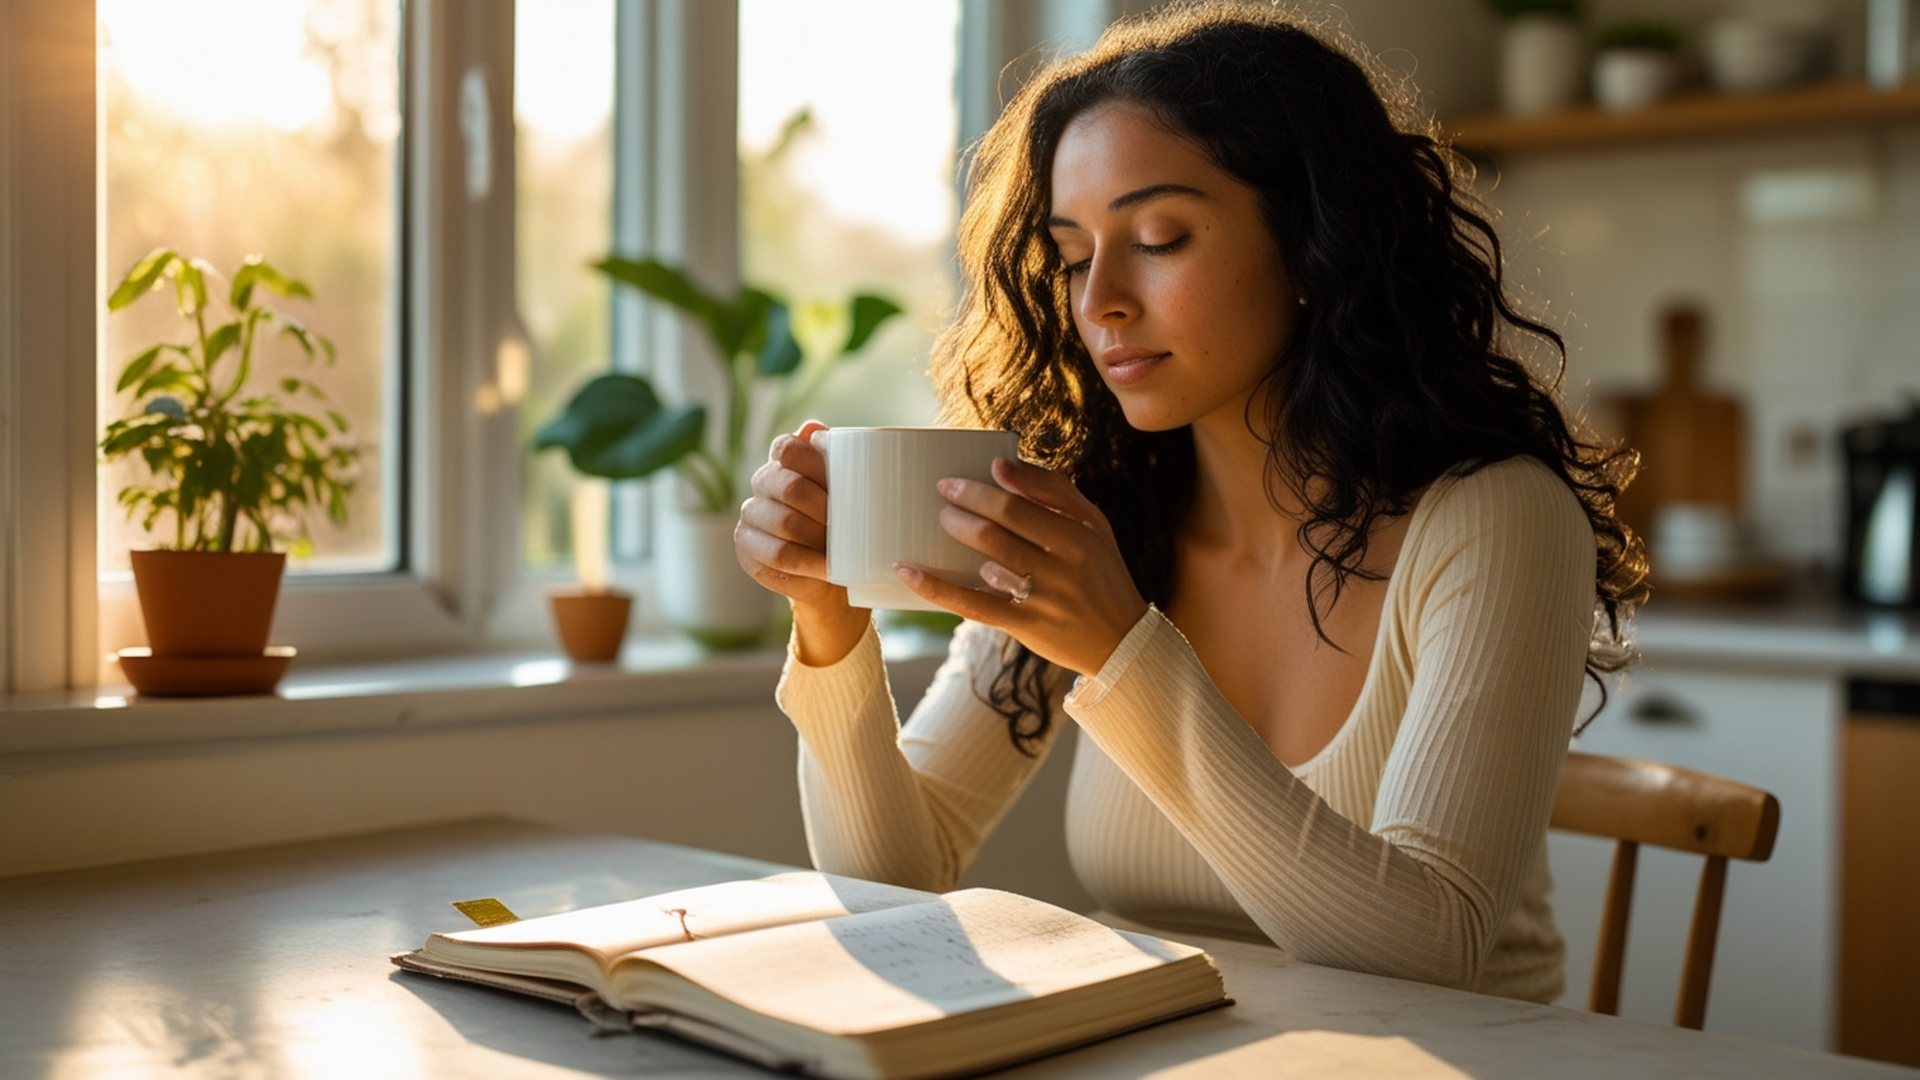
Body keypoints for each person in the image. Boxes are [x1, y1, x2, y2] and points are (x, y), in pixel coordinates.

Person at [731, 0, 1647, 1003]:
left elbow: (1428, 950)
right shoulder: (1091, 518)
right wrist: (826, 622)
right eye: (1074, 256)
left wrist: (1125, 651)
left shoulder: (1496, 520)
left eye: (1160, 238)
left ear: (1313, 242)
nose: (1099, 302)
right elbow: (894, 882)